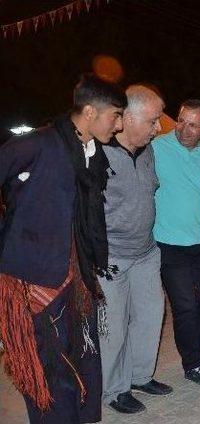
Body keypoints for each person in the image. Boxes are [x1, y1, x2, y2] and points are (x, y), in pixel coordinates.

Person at [0, 74, 126, 423]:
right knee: (48, 371)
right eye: (115, 115)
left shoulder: (93, 152)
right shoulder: (39, 143)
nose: (118, 125)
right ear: (89, 112)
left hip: (75, 273)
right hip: (34, 278)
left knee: (82, 360)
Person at [99, 86, 172, 414]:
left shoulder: (149, 150)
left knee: (150, 316)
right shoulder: (97, 152)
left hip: (146, 252)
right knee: (113, 328)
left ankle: (141, 376)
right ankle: (114, 390)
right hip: (111, 257)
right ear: (127, 118)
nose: (159, 128)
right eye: (153, 121)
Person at [153, 99, 200, 384]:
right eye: (181, 121)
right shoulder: (156, 147)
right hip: (167, 242)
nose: (183, 128)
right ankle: (193, 363)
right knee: (184, 305)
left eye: (193, 124)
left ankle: (198, 350)